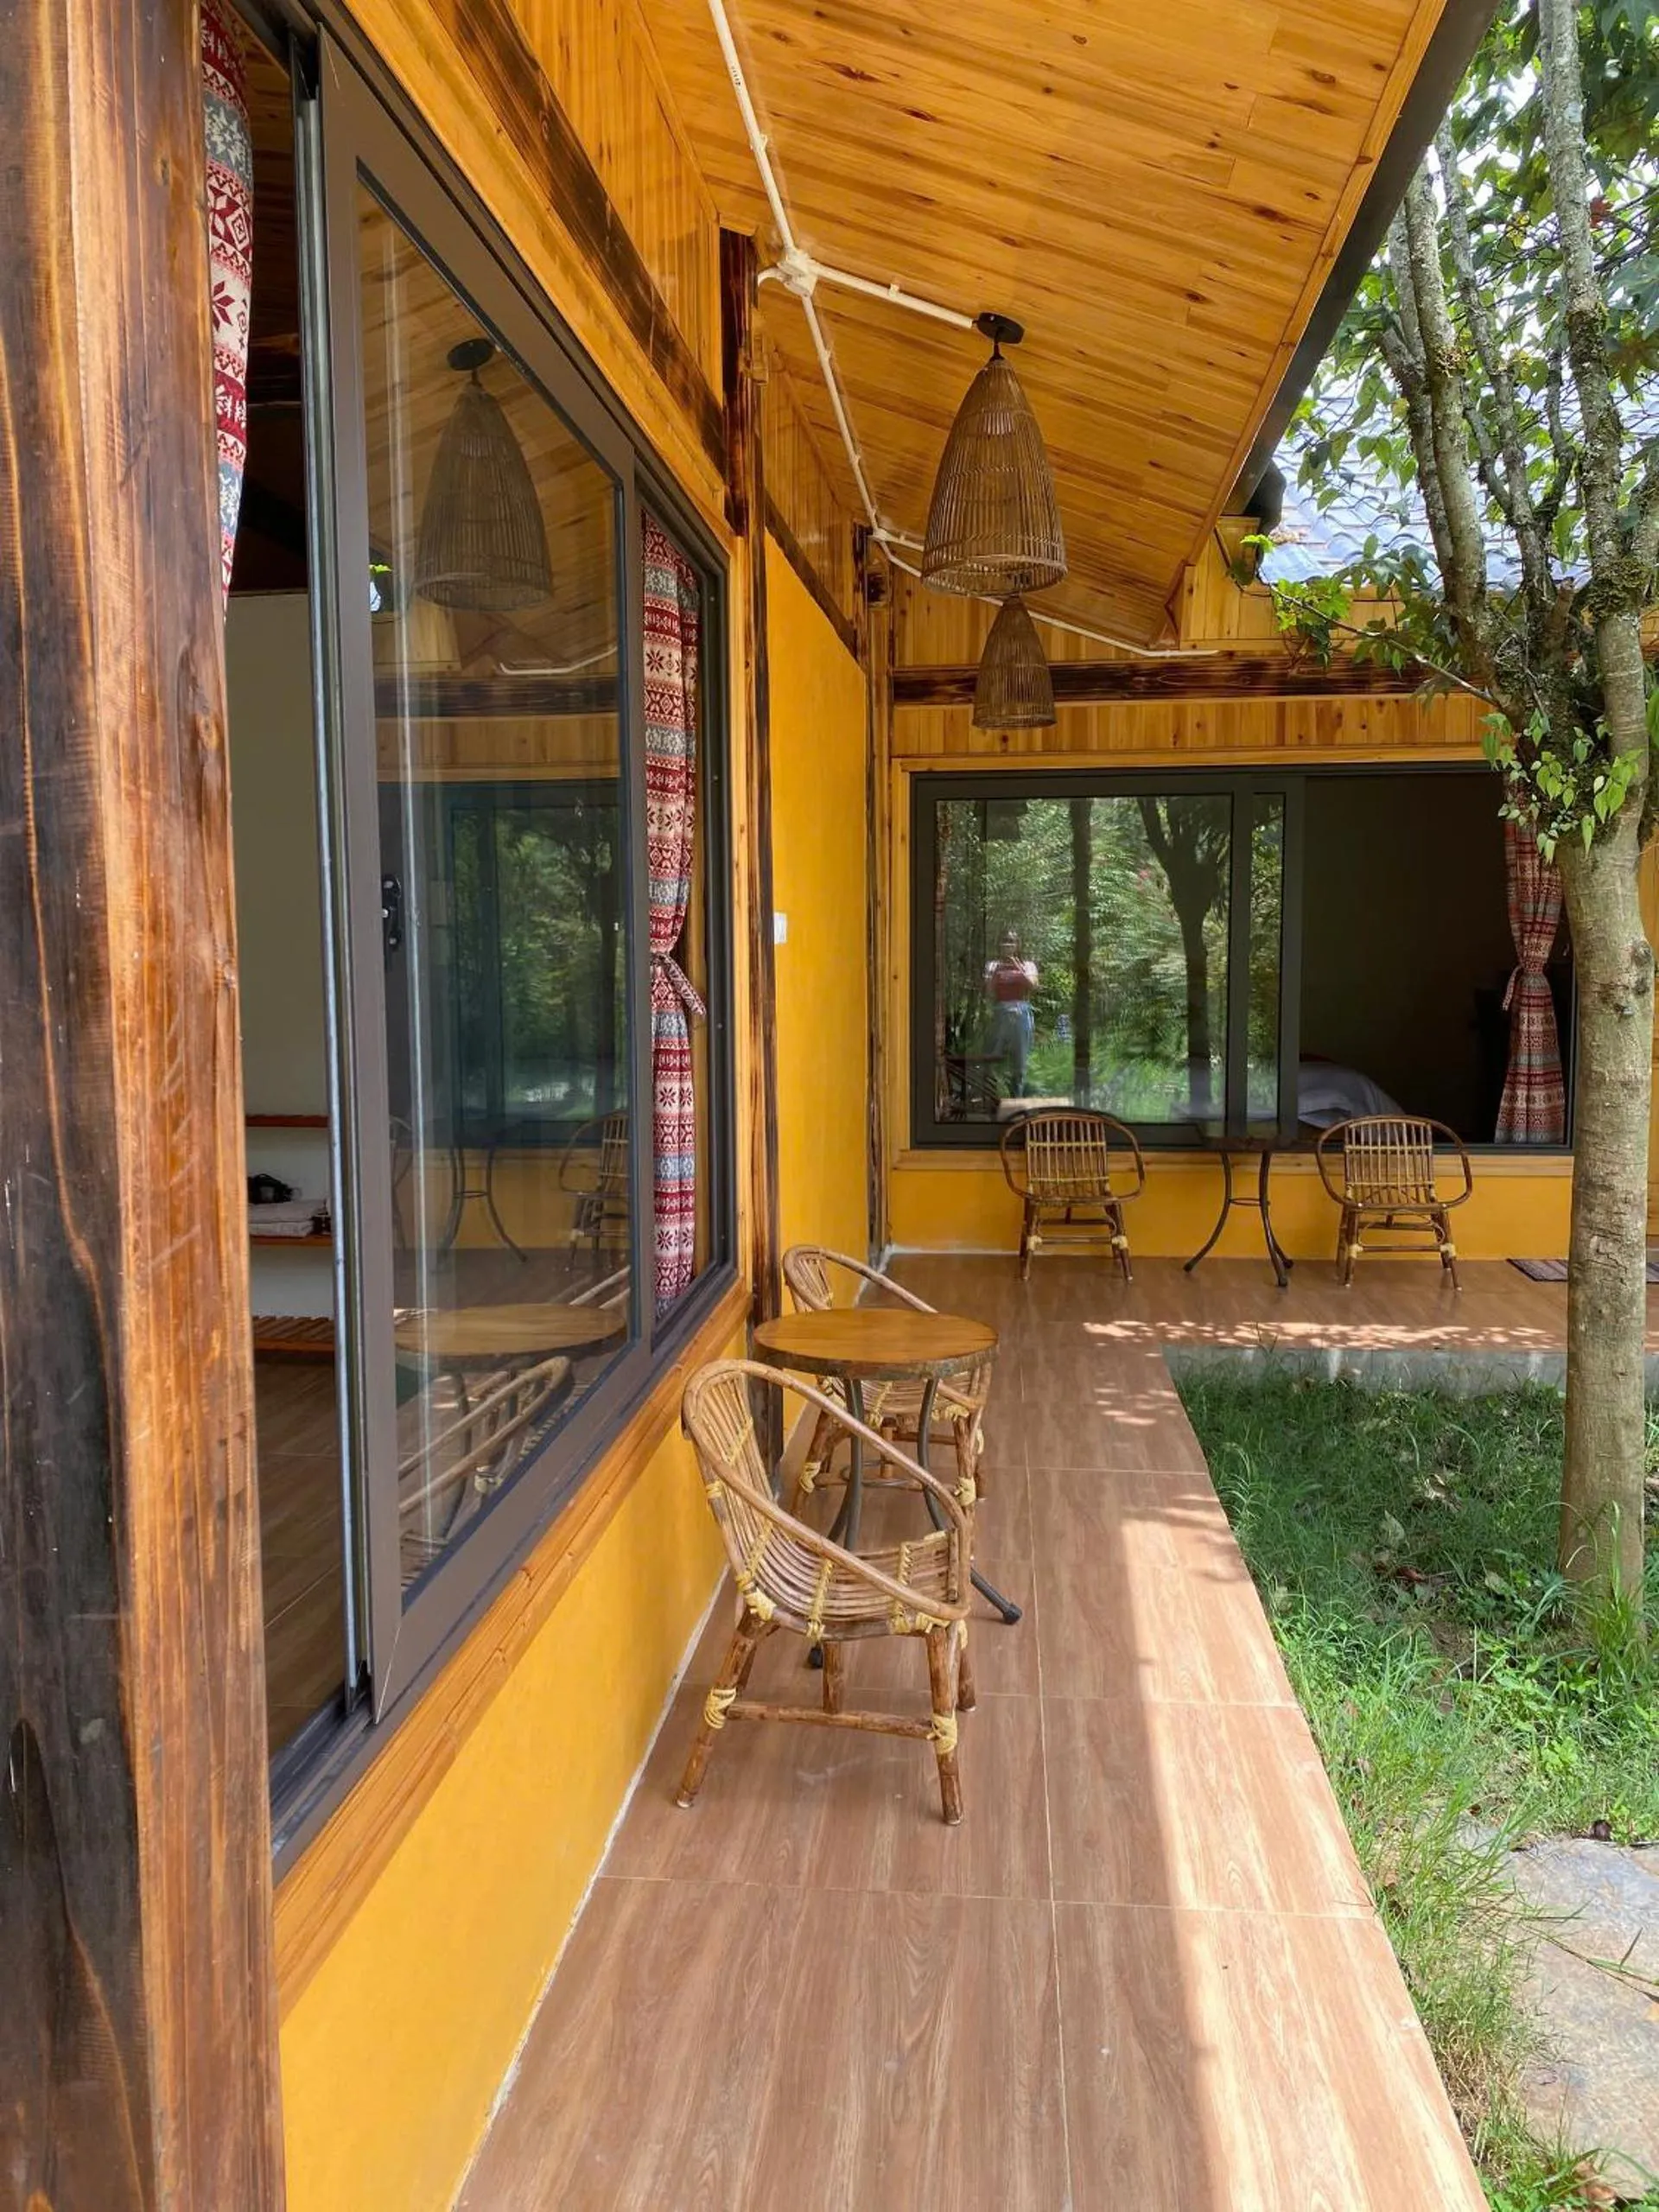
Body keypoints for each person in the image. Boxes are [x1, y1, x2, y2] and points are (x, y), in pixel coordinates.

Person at [983, 928, 1038, 1097]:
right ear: (1000, 944)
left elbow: (1034, 986)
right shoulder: (992, 965)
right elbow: (988, 990)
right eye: (1005, 941)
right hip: (1000, 1012)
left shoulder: (1027, 965)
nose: (1008, 944)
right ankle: (992, 1095)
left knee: (1019, 1059)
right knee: (992, 1057)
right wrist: (998, 969)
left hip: (1021, 1011)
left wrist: (1016, 966)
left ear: (1018, 945)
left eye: (1011, 941)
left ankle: (1017, 1096)